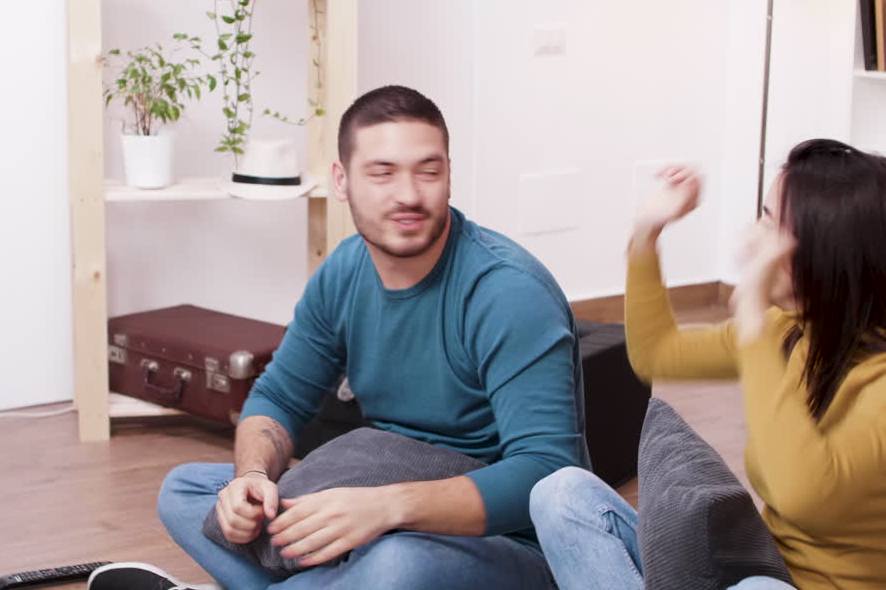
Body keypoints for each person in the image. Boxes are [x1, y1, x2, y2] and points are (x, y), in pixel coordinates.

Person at [93, 85, 588, 590]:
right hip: (378, 491)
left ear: (449, 176)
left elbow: (547, 474)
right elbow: (277, 396)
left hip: (502, 542)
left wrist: (389, 508)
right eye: (382, 172)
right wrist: (253, 479)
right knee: (187, 491)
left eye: (429, 170)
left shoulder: (508, 292)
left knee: (399, 564)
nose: (409, 195)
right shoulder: (345, 272)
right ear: (341, 180)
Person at [529, 139, 886, 590]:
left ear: (830, 249)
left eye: (772, 225)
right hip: (766, 571)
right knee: (561, 493)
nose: (753, 235)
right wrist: (647, 234)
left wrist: (753, 319)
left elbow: (803, 494)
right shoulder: (791, 330)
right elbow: (656, 353)